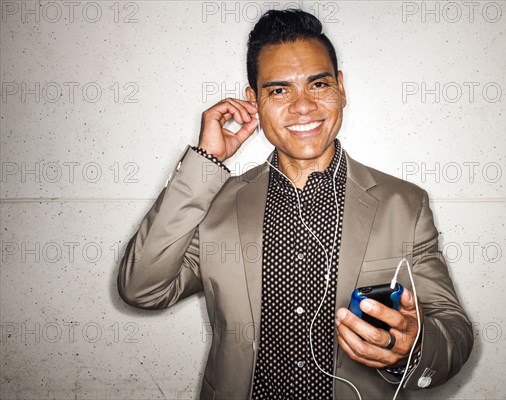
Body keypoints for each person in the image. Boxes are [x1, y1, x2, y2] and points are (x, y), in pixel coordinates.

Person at [118, 9, 473, 400]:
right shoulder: (214, 207)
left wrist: (415, 346)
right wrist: (205, 164)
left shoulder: (404, 205)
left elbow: (453, 331)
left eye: (318, 84)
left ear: (340, 87)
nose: (303, 106)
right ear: (254, 101)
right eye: (279, 90)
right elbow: (142, 290)